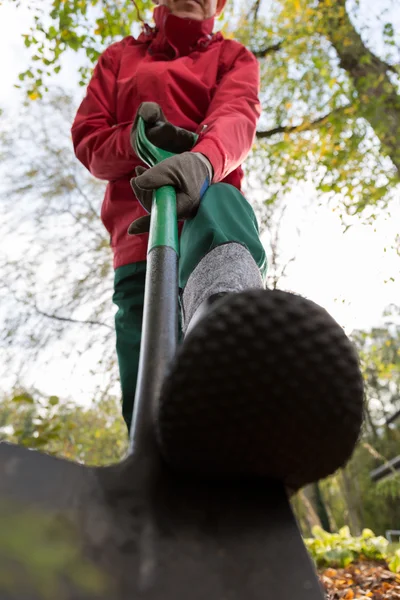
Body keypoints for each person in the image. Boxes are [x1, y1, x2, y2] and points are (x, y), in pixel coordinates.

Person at [72, 0, 364, 489]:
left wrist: (201, 162)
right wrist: (139, 139)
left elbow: (236, 115)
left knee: (221, 203)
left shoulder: (232, 56)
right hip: (136, 239)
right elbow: (89, 139)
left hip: (208, 205)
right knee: (147, 403)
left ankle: (225, 323)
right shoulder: (120, 57)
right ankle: (161, 509)